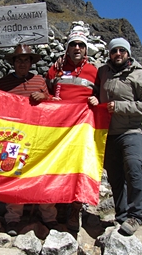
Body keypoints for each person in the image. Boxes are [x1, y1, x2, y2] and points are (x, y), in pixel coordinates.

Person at [88, 37, 142, 236]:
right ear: (109, 54)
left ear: (127, 53)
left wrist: (119, 107)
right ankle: (121, 215)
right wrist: (94, 95)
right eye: (114, 51)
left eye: (121, 50)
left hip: (130, 132)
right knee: (115, 176)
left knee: (134, 168)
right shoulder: (103, 72)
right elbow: (94, 88)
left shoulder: (139, 74)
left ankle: (136, 216)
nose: (118, 54)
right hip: (108, 133)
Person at [0, 44, 61, 236]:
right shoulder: (3, 84)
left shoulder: (39, 80)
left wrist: (43, 96)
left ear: (31, 62)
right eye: (19, 60)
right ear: (13, 62)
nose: (22, 63)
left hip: (38, 137)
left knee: (43, 174)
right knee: (14, 174)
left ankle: (49, 216)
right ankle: (13, 219)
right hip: (13, 137)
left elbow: (51, 105)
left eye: (26, 60)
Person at [45, 30, 98, 232]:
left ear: (85, 50)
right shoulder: (55, 69)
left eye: (81, 45)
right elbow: (46, 91)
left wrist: (98, 100)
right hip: (57, 129)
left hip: (82, 130)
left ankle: (75, 211)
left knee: (79, 169)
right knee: (57, 167)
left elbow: (102, 95)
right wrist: (50, 99)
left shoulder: (95, 71)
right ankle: (55, 206)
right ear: (67, 48)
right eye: (73, 44)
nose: (77, 48)